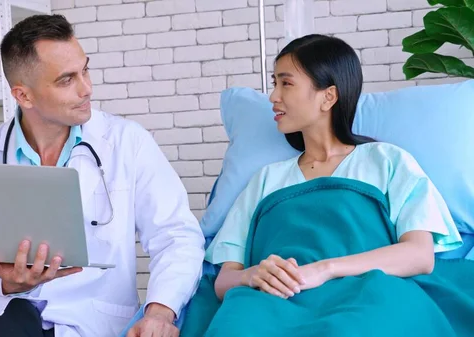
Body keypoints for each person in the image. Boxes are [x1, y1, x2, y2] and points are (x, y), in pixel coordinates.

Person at [180, 34, 470, 336]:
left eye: (286, 83)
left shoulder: (386, 160)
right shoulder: (265, 179)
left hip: (369, 294)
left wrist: (324, 269)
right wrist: (253, 276)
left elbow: (419, 256)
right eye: (274, 83)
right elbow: (224, 280)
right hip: (271, 301)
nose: (273, 96)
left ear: (328, 96)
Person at [0, 14, 205, 337]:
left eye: (85, 70)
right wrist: (7, 281)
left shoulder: (128, 143)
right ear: (23, 95)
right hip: (8, 318)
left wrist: (160, 312)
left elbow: (176, 237)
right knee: (10, 322)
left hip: (94, 318)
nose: (87, 89)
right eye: (66, 80)